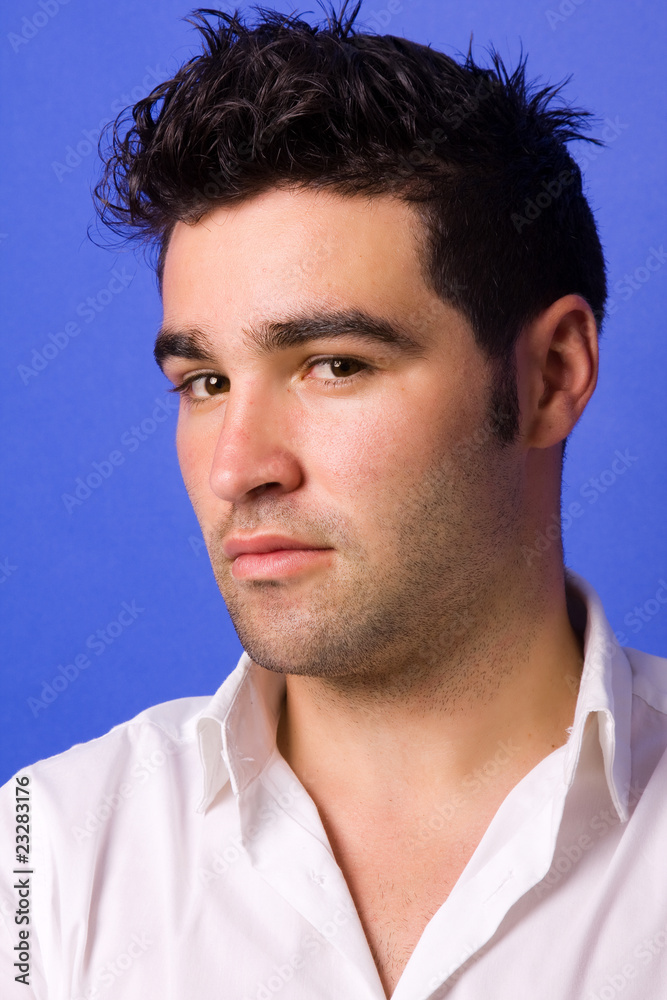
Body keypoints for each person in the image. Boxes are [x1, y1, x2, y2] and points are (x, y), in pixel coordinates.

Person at [1, 3, 665, 998]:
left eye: (333, 364)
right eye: (205, 382)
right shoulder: (43, 856)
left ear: (549, 378)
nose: (238, 469)